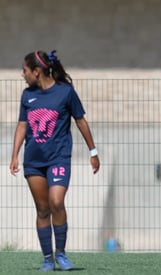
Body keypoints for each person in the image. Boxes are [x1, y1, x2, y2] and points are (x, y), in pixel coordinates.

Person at [9, 50, 100, 271]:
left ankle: (61, 253)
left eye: (25, 71)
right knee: (42, 209)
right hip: (34, 162)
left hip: (59, 158)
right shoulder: (27, 95)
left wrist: (93, 151)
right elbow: (22, 125)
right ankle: (48, 259)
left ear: (37, 71)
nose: (23, 75)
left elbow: (80, 121)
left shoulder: (65, 93)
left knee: (56, 202)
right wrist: (14, 155)